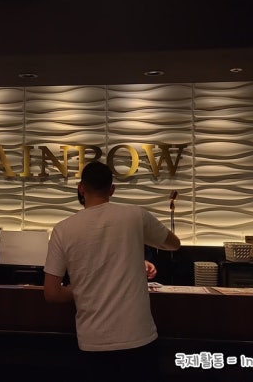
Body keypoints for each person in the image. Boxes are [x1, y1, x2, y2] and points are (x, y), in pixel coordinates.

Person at [43, 161, 181, 381]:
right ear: (112, 189)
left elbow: (51, 293)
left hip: (93, 340)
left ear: (81, 188)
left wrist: (79, 288)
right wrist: (139, 238)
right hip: (138, 335)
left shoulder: (62, 229)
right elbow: (174, 244)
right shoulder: (135, 215)